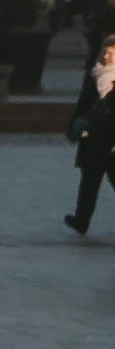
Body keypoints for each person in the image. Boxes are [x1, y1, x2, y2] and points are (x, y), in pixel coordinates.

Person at [72, 30, 115, 240]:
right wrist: (75, 126)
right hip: (96, 132)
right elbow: (84, 102)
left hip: (109, 131)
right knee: (90, 176)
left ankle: (82, 218)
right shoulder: (95, 73)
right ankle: (81, 219)